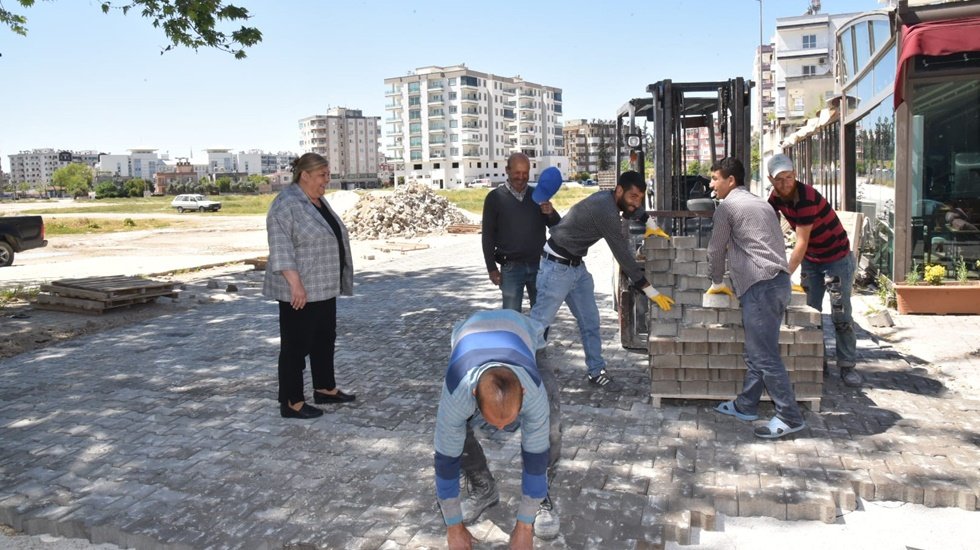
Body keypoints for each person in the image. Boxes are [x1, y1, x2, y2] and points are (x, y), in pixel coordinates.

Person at [529, 170, 673, 392]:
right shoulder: (605, 210)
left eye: (640, 198)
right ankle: (520, 374)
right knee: (538, 325)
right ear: (619, 191)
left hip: (576, 268)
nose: (636, 203)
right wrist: (648, 288)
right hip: (556, 267)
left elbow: (631, 210)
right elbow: (622, 254)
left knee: (591, 323)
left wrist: (649, 221)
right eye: (633, 197)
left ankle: (596, 371)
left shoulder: (611, 200)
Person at [434, 310, 562, 548]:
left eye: (508, 420)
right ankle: (483, 486)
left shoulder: (532, 389)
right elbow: (445, 462)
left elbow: (534, 457)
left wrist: (525, 525)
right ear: (474, 394)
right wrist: (453, 526)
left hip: (526, 336)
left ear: (522, 392)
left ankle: (541, 497)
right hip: (469, 336)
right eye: (495, 421)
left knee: (550, 428)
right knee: (454, 432)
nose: (503, 428)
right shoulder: (458, 391)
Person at [706, 157, 807, 439]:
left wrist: (716, 281)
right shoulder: (763, 204)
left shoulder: (727, 208)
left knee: (765, 356)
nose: (711, 184)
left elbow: (715, 250)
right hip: (777, 283)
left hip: (760, 286)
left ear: (730, 181)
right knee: (757, 351)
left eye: (715, 178)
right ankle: (746, 405)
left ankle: (789, 416)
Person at [263, 152, 356, 419]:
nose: (327, 180)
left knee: (324, 339)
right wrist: (296, 285)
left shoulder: (317, 200)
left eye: (328, 174)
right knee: (296, 346)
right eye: (322, 175)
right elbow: (280, 249)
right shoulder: (286, 204)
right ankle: (291, 401)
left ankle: (325, 388)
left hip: (324, 286)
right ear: (304, 175)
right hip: (300, 289)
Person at [766, 153, 862, 387]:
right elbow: (767, 226)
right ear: (771, 179)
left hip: (836, 258)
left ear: (795, 175)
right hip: (812, 259)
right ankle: (818, 360)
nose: (785, 183)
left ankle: (847, 365)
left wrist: (784, 273)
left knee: (841, 314)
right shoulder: (775, 198)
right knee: (811, 312)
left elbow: (801, 242)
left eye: (789, 177)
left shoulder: (807, 197)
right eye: (779, 179)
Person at [481, 153, 561, 312]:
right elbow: (488, 236)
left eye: (525, 173)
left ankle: (538, 339)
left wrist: (551, 213)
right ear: (507, 170)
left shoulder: (538, 196)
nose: (521, 177)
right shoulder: (494, 198)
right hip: (510, 268)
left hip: (539, 267)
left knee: (541, 316)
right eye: (517, 172)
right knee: (510, 319)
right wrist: (491, 268)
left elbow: (557, 227)